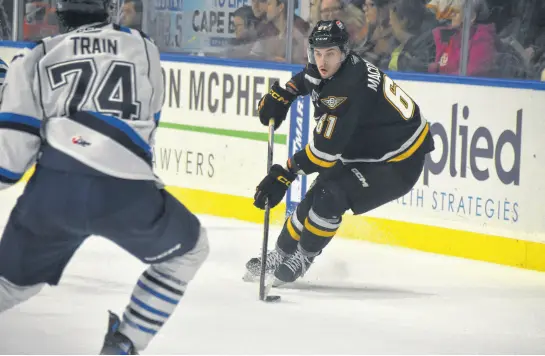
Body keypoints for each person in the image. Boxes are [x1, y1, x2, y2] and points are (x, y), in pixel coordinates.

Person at [0, 0, 209, 354]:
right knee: (188, 251)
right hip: (127, 188)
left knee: (10, 285)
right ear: (110, 8)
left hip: (56, 189)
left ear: (58, 10)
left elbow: (9, 165)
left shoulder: (36, 56)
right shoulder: (144, 47)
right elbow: (149, 119)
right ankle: (125, 345)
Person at [245, 19, 434, 285]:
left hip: (398, 162)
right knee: (314, 195)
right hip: (367, 150)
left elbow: (323, 155)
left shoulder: (345, 90)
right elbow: (309, 77)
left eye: (330, 54)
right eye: (318, 53)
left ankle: (302, 256)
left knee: (330, 195)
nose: (322, 61)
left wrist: (285, 172)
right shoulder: (334, 67)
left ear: (344, 53)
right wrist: (286, 92)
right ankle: (280, 253)